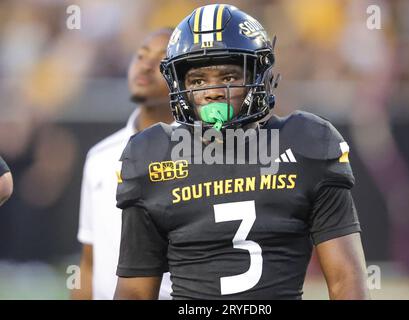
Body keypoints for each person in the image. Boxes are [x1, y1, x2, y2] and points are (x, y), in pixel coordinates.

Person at [114, 4, 370, 300]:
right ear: (179, 84)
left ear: (260, 78)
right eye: (198, 80)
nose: (212, 91)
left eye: (228, 77)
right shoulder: (150, 156)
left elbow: (346, 279)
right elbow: (134, 291)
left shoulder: (307, 143)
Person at [72, 28, 175, 300]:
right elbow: (89, 263)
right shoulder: (100, 155)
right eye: (140, 56)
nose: (146, 65)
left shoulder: (203, 151)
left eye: (161, 60)